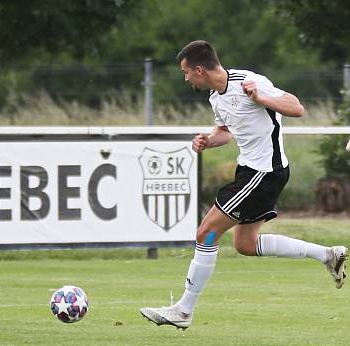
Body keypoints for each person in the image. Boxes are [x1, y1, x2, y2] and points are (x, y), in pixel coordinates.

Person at [140, 40, 347, 329]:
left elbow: (296, 107)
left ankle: (184, 310)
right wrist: (209, 141)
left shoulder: (249, 82)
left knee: (206, 233)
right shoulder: (216, 96)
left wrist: (262, 98)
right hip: (250, 172)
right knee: (246, 244)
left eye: (186, 72)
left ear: (200, 69)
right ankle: (327, 254)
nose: (185, 78)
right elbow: (226, 131)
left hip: (264, 173)